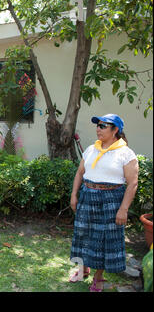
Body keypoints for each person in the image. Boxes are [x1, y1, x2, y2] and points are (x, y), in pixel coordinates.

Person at [69, 114, 139, 292]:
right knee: (83, 235)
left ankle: (98, 277)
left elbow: (132, 183)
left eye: (103, 126)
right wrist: (74, 195)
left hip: (110, 200)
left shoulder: (126, 153)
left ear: (115, 130)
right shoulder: (92, 149)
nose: (98, 129)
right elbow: (79, 173)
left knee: (103, 239)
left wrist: (123, 209)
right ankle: (82, 269)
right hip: (87, 196)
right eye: (97, 125)